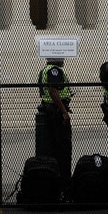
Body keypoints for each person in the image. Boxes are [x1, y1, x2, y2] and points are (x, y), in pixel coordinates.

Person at [37, 57, 73, 185]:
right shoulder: (54, 70)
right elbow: (53, 91)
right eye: (61, 57)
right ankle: (64, 182)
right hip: (56, 113)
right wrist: (63, 112)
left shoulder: (44, 70)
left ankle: (54, 180)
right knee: (62, 148)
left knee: (52, 148)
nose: (63, 59)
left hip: (51, 111)